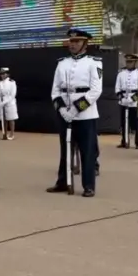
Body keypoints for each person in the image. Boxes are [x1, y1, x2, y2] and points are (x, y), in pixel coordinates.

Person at [47, 28, 103, 197]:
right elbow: (55, 90)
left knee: (87, 151)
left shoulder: (94, 62)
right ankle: (63, 182)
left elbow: (95, 90)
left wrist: (77, 108)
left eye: (77, 41)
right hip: (64, 113)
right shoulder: (62, 63)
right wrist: (63, 109)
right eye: (71, 41)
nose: (73, 44)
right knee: (66, 149)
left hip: (86, 114)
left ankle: (88, 185)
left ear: (85, 43)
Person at [115, 54, 138, 149]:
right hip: (123, 100)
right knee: (124, 122)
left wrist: (133, 99)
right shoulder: (121, 73)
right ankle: (124, 141)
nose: (129, 64)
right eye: (127, 62)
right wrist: (121, 97)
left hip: (135, 101)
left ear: (135, 62)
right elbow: (117, 87)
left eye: (131, 62)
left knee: (137, 123)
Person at [0, 67, 18, 140]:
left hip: (10, 102)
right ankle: (4, 134)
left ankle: (12, 134)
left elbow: (13, 94)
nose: (2, 75)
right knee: (3, 119)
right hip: (1, 102)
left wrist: (5, 102)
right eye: (1, 74)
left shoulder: (12, 82)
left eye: (4, 73)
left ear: (7, 74)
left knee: (11, 119)